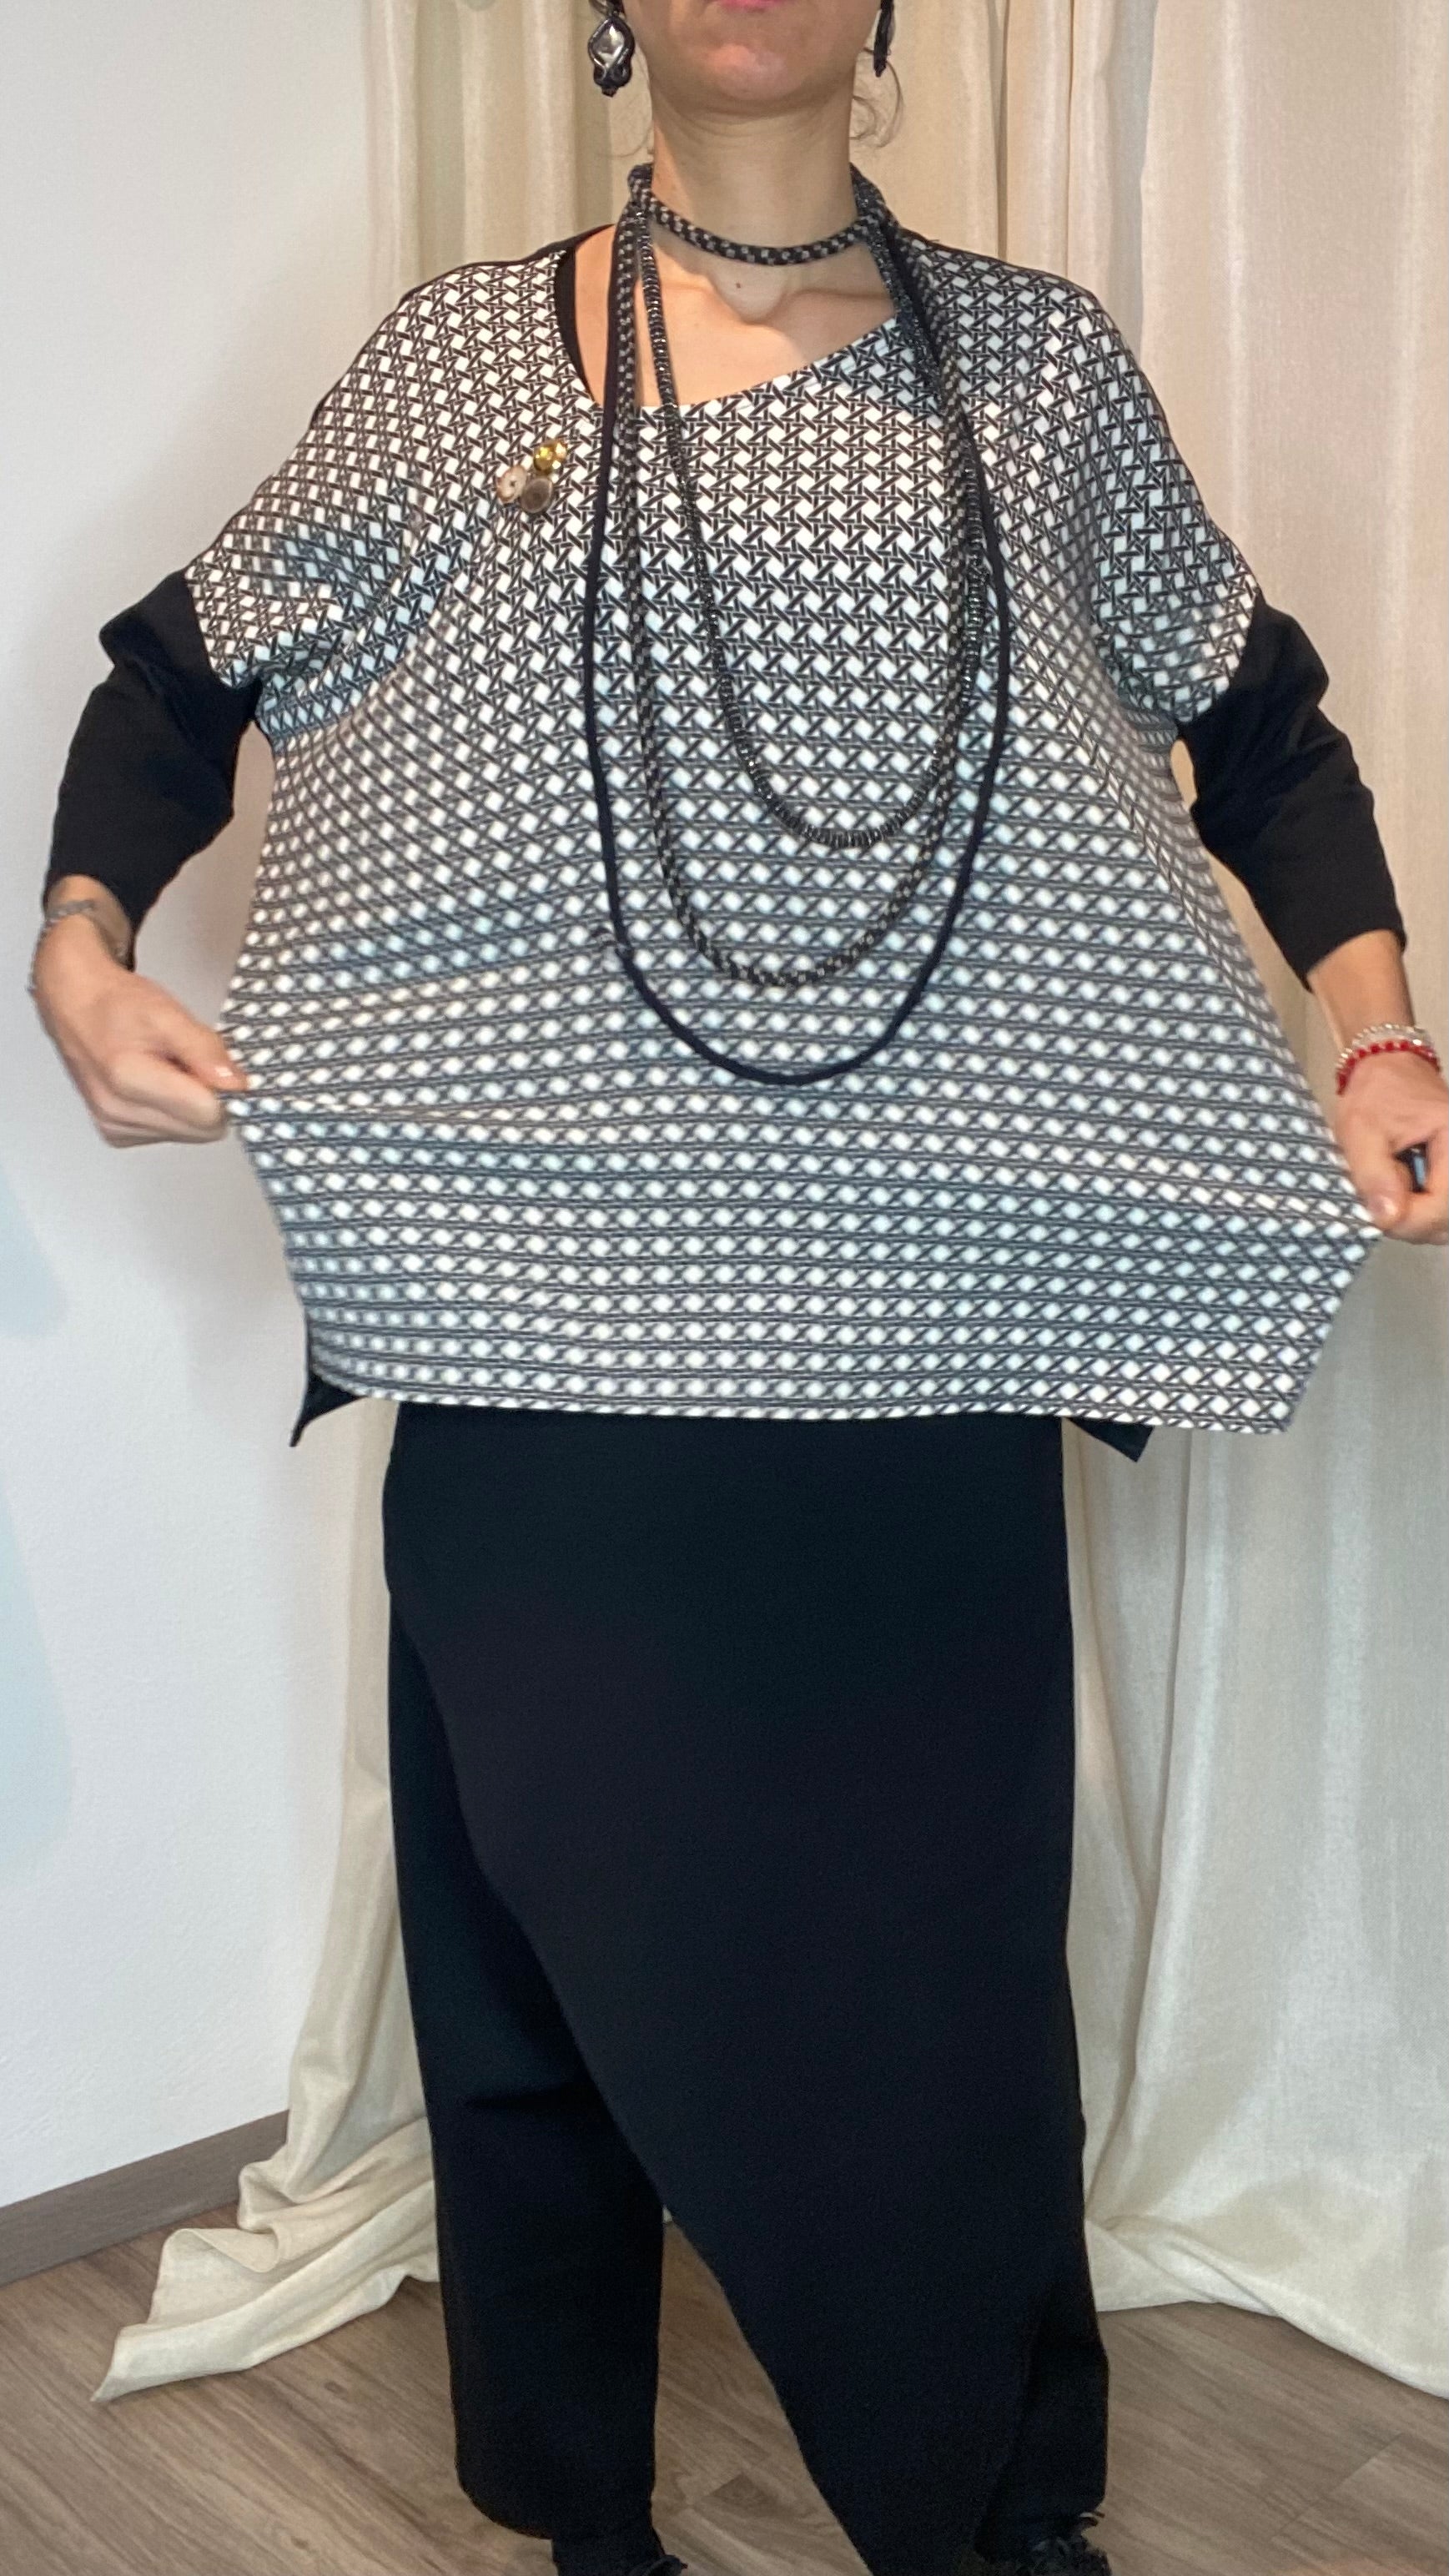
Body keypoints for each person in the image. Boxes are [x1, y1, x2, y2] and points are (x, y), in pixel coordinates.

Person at [29, 3, 1446, 2571]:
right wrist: (82, 939)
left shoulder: (1031, 372)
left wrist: (1368, 1033)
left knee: (930, 2005)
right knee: (537, 1975)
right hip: (530, 1319)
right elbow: (179, 667)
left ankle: (986, 2516)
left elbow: (1257, 729)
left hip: (919, 1336)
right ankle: (588, 2519)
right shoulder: (459, 363)